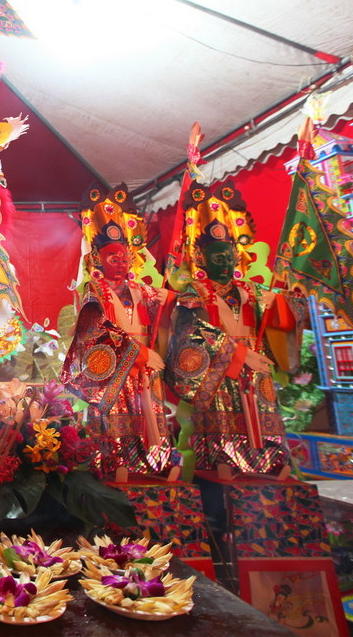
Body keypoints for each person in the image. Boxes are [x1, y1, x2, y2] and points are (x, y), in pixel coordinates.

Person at [164, 182, 299, 475]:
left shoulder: (252, 291)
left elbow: (282, 323)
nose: (225, 263)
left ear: (237, 256)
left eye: (228, 257)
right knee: (222, 422)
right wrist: (239, 354)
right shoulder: (195, 293)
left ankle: (271, 463)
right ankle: (222, 463)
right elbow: (191, 335)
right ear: (201, 258)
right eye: (217, 258)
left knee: (263, 418)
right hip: (219, 370)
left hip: (256, 369)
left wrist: (281, 301)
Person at [60, 185, 177, 476]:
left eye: (125, 259)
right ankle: (114, 465)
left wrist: (174, 299)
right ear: (98, 259)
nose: (121, 264)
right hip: (115, 371)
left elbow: (175, 308)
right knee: (116, 421)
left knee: (149, 418)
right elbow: (94, 331)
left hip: (146, 369)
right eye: (114, 258)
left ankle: (154, 465)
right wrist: (138, 352)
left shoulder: (141, 290)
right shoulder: (94, 290)